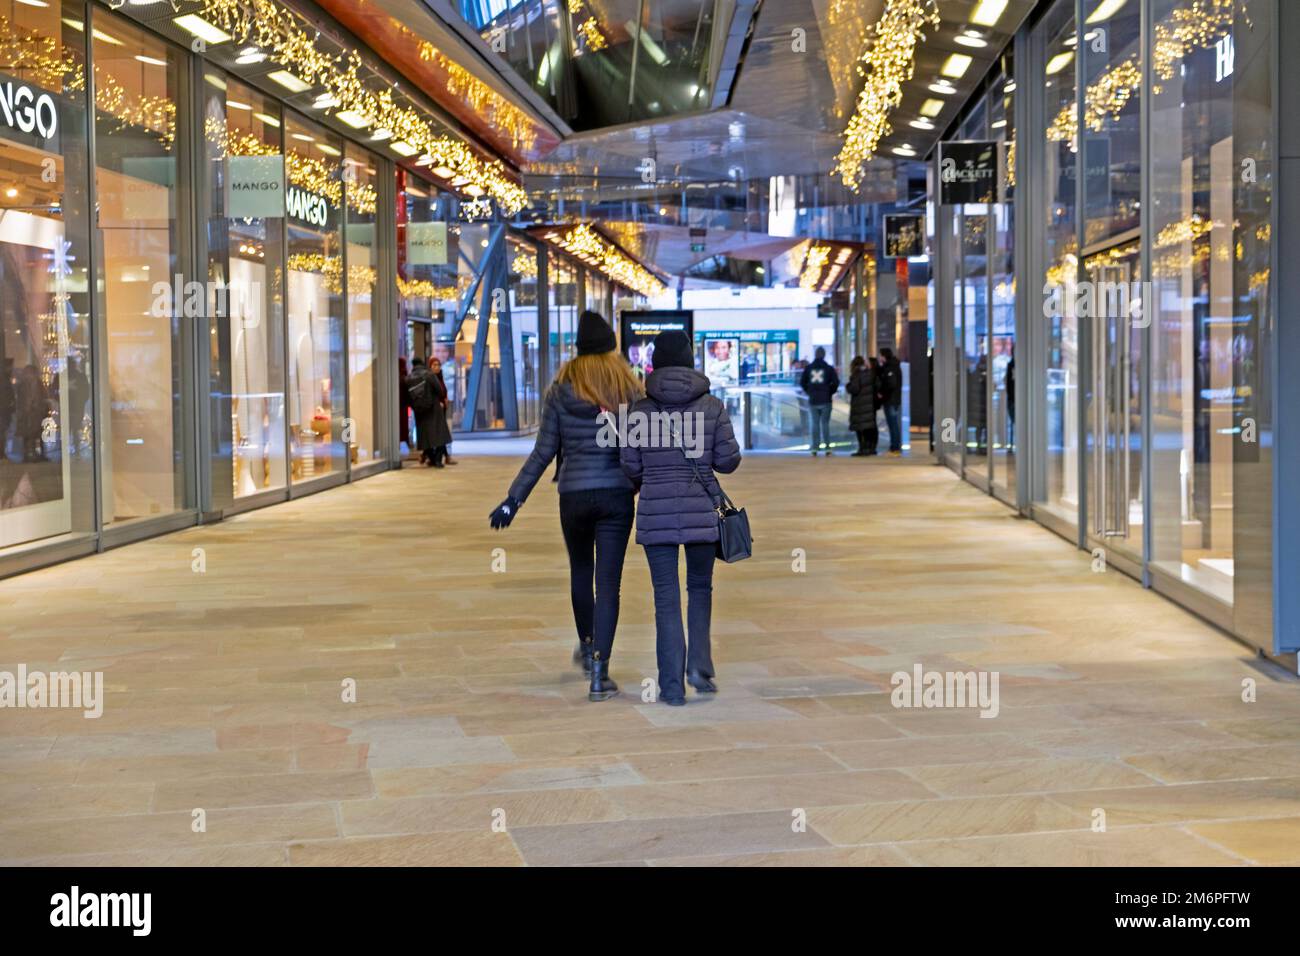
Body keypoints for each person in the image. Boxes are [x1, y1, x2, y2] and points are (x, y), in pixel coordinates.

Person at [489, 311, 642, 702]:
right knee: (608, 582)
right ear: (612, 348)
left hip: (573, 495)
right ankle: (600, 672)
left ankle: (588, 646)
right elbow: (642, 447)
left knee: (580, 571)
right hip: (616, 495)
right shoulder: (628, 388)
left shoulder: (561, 389)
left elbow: (543, 451)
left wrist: (513, 499)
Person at [621, 330, 741, 706]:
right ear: (691, 361)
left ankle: (671, 686)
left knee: (666, 598)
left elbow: (629, 465)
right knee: (700, 590)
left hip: (656, 513)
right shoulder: (713, 407)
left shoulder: (639, 411)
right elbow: (728, 461)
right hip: (702, 512)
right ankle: (700, 668)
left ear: (654, 364)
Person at [406, 357, 451, 467]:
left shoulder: (408, 378)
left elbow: (408, 397)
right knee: (440, 435)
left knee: (425, 436)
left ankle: (431, 459)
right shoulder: (429, 375)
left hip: (419, 411)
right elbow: (439, 390)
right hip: (433, 408)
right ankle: (438, 460)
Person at [799, 345, 839, 455]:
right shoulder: (829, 368)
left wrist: (809, 391)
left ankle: (815, 448)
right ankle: (827, 447)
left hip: (813, 400)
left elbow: (802, 382)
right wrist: (830, 392)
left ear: (815, 354)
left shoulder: (809, 368)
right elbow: (836, 383)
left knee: (815, 424)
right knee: (825, 424)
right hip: (826, 400)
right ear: (824, 355)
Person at [845, 355, 877, 456]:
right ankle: (868, 448)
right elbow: (877, 385)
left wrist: (848, 386)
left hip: (859, 405)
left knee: (860, 429)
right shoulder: (869, 373)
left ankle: (862, 449)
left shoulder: (856, 374)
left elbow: (855, 388)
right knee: (867, 428)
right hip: (868, 405)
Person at [430, 357, 457, 465]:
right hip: (435, 411)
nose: (437, 367)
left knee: (443, 433)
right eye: (434, 365)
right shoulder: (430, 378)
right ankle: (441, 457)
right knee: (442, 434)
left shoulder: (440, 377)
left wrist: (445, 399)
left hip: (442, 410)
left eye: (438, 365)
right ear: (430, 366)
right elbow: (431, 394)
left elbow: (443, 391)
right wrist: (439, 402)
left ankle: (446, 456)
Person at [878, 347, 904, 456]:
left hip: (891, 400)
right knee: (892, 424)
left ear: (884, 356)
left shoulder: (891, 368)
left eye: (880, 355)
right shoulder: (890, 367)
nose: (879, 357)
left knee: (893, 424)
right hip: (892, 399)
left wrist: (882, 393)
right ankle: (894, 447)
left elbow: (891, 384)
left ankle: (895, 448)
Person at [397, 356, 412, 456]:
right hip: (403, 406)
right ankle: (404, 441)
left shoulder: (395, 376)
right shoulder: (403, 377)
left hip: (398, 406)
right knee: (403, 426)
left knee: (400, 426)